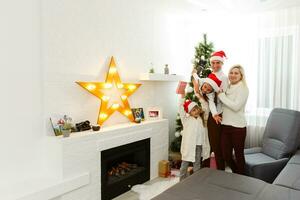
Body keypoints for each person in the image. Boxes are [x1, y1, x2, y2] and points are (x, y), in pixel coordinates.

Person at [192, 50, 228, 170]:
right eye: (213, 63)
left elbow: (221, 98)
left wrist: (215, 113)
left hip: (216, 114)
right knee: (209, 142)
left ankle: (220, 170)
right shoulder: (210, 76)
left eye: (218, 62)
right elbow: (200, 83)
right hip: (209, 111)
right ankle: (206, 169)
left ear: (222, 63)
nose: (215, 65)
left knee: (215, 144)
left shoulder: (223, 77)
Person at [218, 64, 249, 174]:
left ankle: (242, 178)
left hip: (238, 128)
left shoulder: (243, 88)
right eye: (231, 72)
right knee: (226, 155)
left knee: (239, 155)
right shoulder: (228, 87)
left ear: (241, 75)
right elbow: (224, 105)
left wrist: (221, 96)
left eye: (236, 73)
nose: (233, 75)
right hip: (225, 125)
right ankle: (237, 173)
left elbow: (236, 107)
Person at [178, 93, 210, 181]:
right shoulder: (186, 120)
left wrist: (200, 97)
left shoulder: (203, 119)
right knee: (184, 165)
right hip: (189, 146)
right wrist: (182, 97)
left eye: (196, 109)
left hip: (199, 146)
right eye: (193, 110)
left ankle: (196, 181)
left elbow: (206, 107)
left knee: (197, 165)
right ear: (189, 112)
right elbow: (181, 110)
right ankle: (181, 181)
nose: (195, 111)